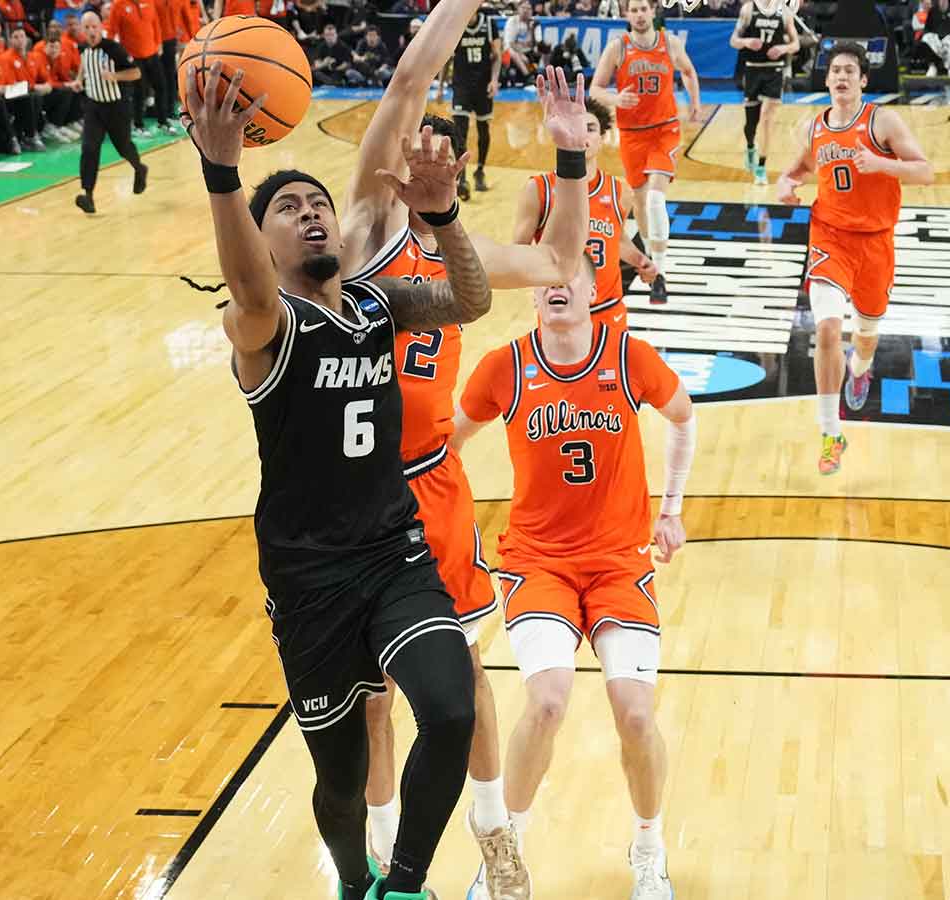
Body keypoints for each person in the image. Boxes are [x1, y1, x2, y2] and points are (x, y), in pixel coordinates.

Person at [183, 51, 496, 900]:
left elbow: (469, 301)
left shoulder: (374, 301)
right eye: (288, 208)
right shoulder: (259, 325)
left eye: (319, 203)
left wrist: (444, 217)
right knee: (342, 775)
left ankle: (402, 886)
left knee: (454, 706)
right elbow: (249, 286)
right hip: (311, 575)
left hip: (393, 552)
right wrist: (221, 174)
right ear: (263, 238)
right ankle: (354, 881)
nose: (313, 214)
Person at [330, 8, 590, 899]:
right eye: (417, 141)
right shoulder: (365, 226)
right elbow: (408, 81)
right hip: (352, 492)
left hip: (430, 487)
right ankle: (378, 858)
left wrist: (569, 158)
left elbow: (561, 258)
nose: (426, 146)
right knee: (372, 701)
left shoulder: (464, 258)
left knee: (466, 673)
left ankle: (493, 837)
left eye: (442, 143)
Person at [451, 255, 698, 900]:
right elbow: (442, 445)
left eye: (570, 275)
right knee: (549, 700)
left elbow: (684, 417)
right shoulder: (503, 367)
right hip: (539, 561)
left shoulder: (628, 357)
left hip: (619, 561)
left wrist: (670, 510)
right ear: (532, 294)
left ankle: (649, 852)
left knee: (636, 715)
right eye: (545, 276)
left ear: (595, 291)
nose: (556, 285)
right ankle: (504, 860)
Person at [776, 42, 934, 476]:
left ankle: (861, 369)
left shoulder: (882, 121)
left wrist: (882, 165)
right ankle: (831, 433)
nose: (841, 77)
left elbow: (925, 170)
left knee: (865, 337)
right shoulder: (814, 129)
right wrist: (784, 184)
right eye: (835, 71)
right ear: (826, 80)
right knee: (826, 330)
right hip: (829, 236)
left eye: (850, 71)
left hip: (876, 243)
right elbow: (799, 170)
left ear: (864, 80)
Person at [512, 98, 660, 332]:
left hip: (608, 308)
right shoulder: (538, 189)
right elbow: (518, 252)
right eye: (575, 128)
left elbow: (616, 239)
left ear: (602, 139)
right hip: (560, 309)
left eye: (590, 128)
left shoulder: (619, 191)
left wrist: (640, 261)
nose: (583, 135)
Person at [591, 0, 703, 306]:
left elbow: (690, 72)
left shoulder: (670, 43)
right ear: (627, 14)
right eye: (634, 10)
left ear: (653, 11)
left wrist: (694, 102)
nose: (639, 15)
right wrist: (615, 98)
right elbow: (594, 89)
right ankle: (652, 254)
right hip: (631, 135)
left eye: (644, 9)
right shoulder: (618, 47)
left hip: (664, 131)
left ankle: (661, 273)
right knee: (640, 204)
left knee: (655, 198)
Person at [73, 10, 145, 214]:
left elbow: (136, 73)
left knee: (123, 147)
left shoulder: (114, 49)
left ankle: (139, 169)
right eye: (86, 27)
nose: (91, 31)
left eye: (94, 26)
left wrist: (113, 76)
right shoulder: (83, 49)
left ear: (101, 27)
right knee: (89, 149)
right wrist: (79, 80)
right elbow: (84, 66)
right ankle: (88, 195)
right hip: (93, 107)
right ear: (82, 30)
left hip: (116, 107)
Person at [731, 0, 799, 187]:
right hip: (752, 70)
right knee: (751, 123)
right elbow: (733, 41)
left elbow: (796, 44)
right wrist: (746, 42)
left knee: (768, 118)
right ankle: (751, 147)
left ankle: (761, 167)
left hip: (774, 71)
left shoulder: (784, 12)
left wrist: (783, 48)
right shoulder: (748, 9)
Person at [451, 8, 501, 196]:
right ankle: (461, 178)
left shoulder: (489, 24)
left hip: (482, 85)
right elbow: (448, 56)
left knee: (483, 130)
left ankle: (479, 170)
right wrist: (440, 87)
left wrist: (494, 79)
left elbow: (497, 56)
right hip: (461, 85)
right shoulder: (457, 23)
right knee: (459, 131)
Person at [106, 0, 174, 135]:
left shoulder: (149, 2)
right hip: (133, 57)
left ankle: (163, 121)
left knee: (161, 86)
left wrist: (159, 43)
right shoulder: (118, 5)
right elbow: (111, 32)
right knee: (139, 91)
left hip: (152, 52)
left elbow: (155, 23)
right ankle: (138, 125)